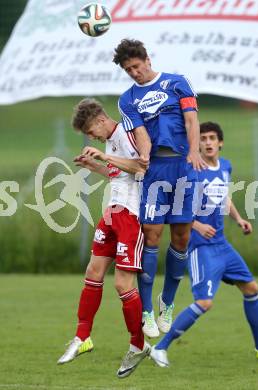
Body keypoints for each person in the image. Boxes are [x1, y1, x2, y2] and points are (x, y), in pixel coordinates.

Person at [113, 39, 207, 338]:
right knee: (151, 236)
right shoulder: (127, 99)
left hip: (183, 166)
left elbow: (192, 120)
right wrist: (143, 154)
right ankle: (147, 312)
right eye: (128, 70)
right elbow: (141, 133)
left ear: (147, 60)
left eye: (136, 67)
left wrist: (194, 152)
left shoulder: (177, 82)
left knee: (181, 237)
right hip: (155, 171)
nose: (134, 73)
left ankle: (167, 302)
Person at [149, 121, 258, 367]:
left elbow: (224, 197)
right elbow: (173, 206)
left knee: (252, 289)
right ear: (197, 143)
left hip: (222, 245)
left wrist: (239, 218)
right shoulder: (190, 169)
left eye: (212, 138)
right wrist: (197, 225)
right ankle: (159, 348)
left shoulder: (225, 166)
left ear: (220, 142)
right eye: (203, 138)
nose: (208, 142)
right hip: (200, 247)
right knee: (205, 302)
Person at [57, 98, 151, 378]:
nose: (91, 137)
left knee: (122, 285)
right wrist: (92, 166)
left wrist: (104, 157)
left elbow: (141, 168)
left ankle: (138, 344)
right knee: (93, 271)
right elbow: (118, 176)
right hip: (112, 213)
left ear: (100, 120)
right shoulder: (109, 142)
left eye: (90, 131)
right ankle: (82, 337)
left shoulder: (127, 133)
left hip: (131, 216)